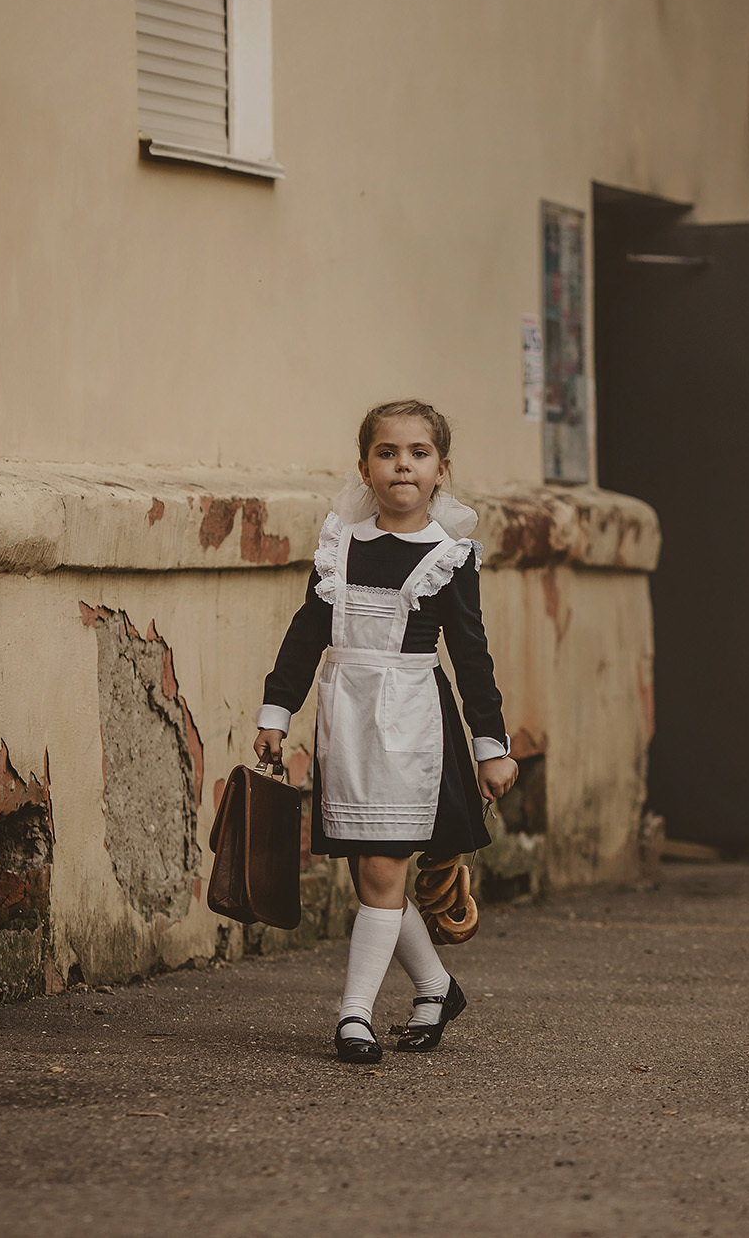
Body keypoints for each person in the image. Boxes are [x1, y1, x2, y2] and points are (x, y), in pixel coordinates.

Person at [254, 399, 519, 1063]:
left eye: (419, 453)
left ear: (441, 470)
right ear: (365, 466)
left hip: (411, 724)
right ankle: (434, 987)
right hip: (346, 718)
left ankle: (354, 1016)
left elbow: (472, 652)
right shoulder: (340, 546)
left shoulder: (446, 555)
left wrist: (492, 744)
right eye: (388, 452)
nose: (403, 463)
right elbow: (306, 633)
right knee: (371, 877)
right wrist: (275, 713)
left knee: (380, 868)